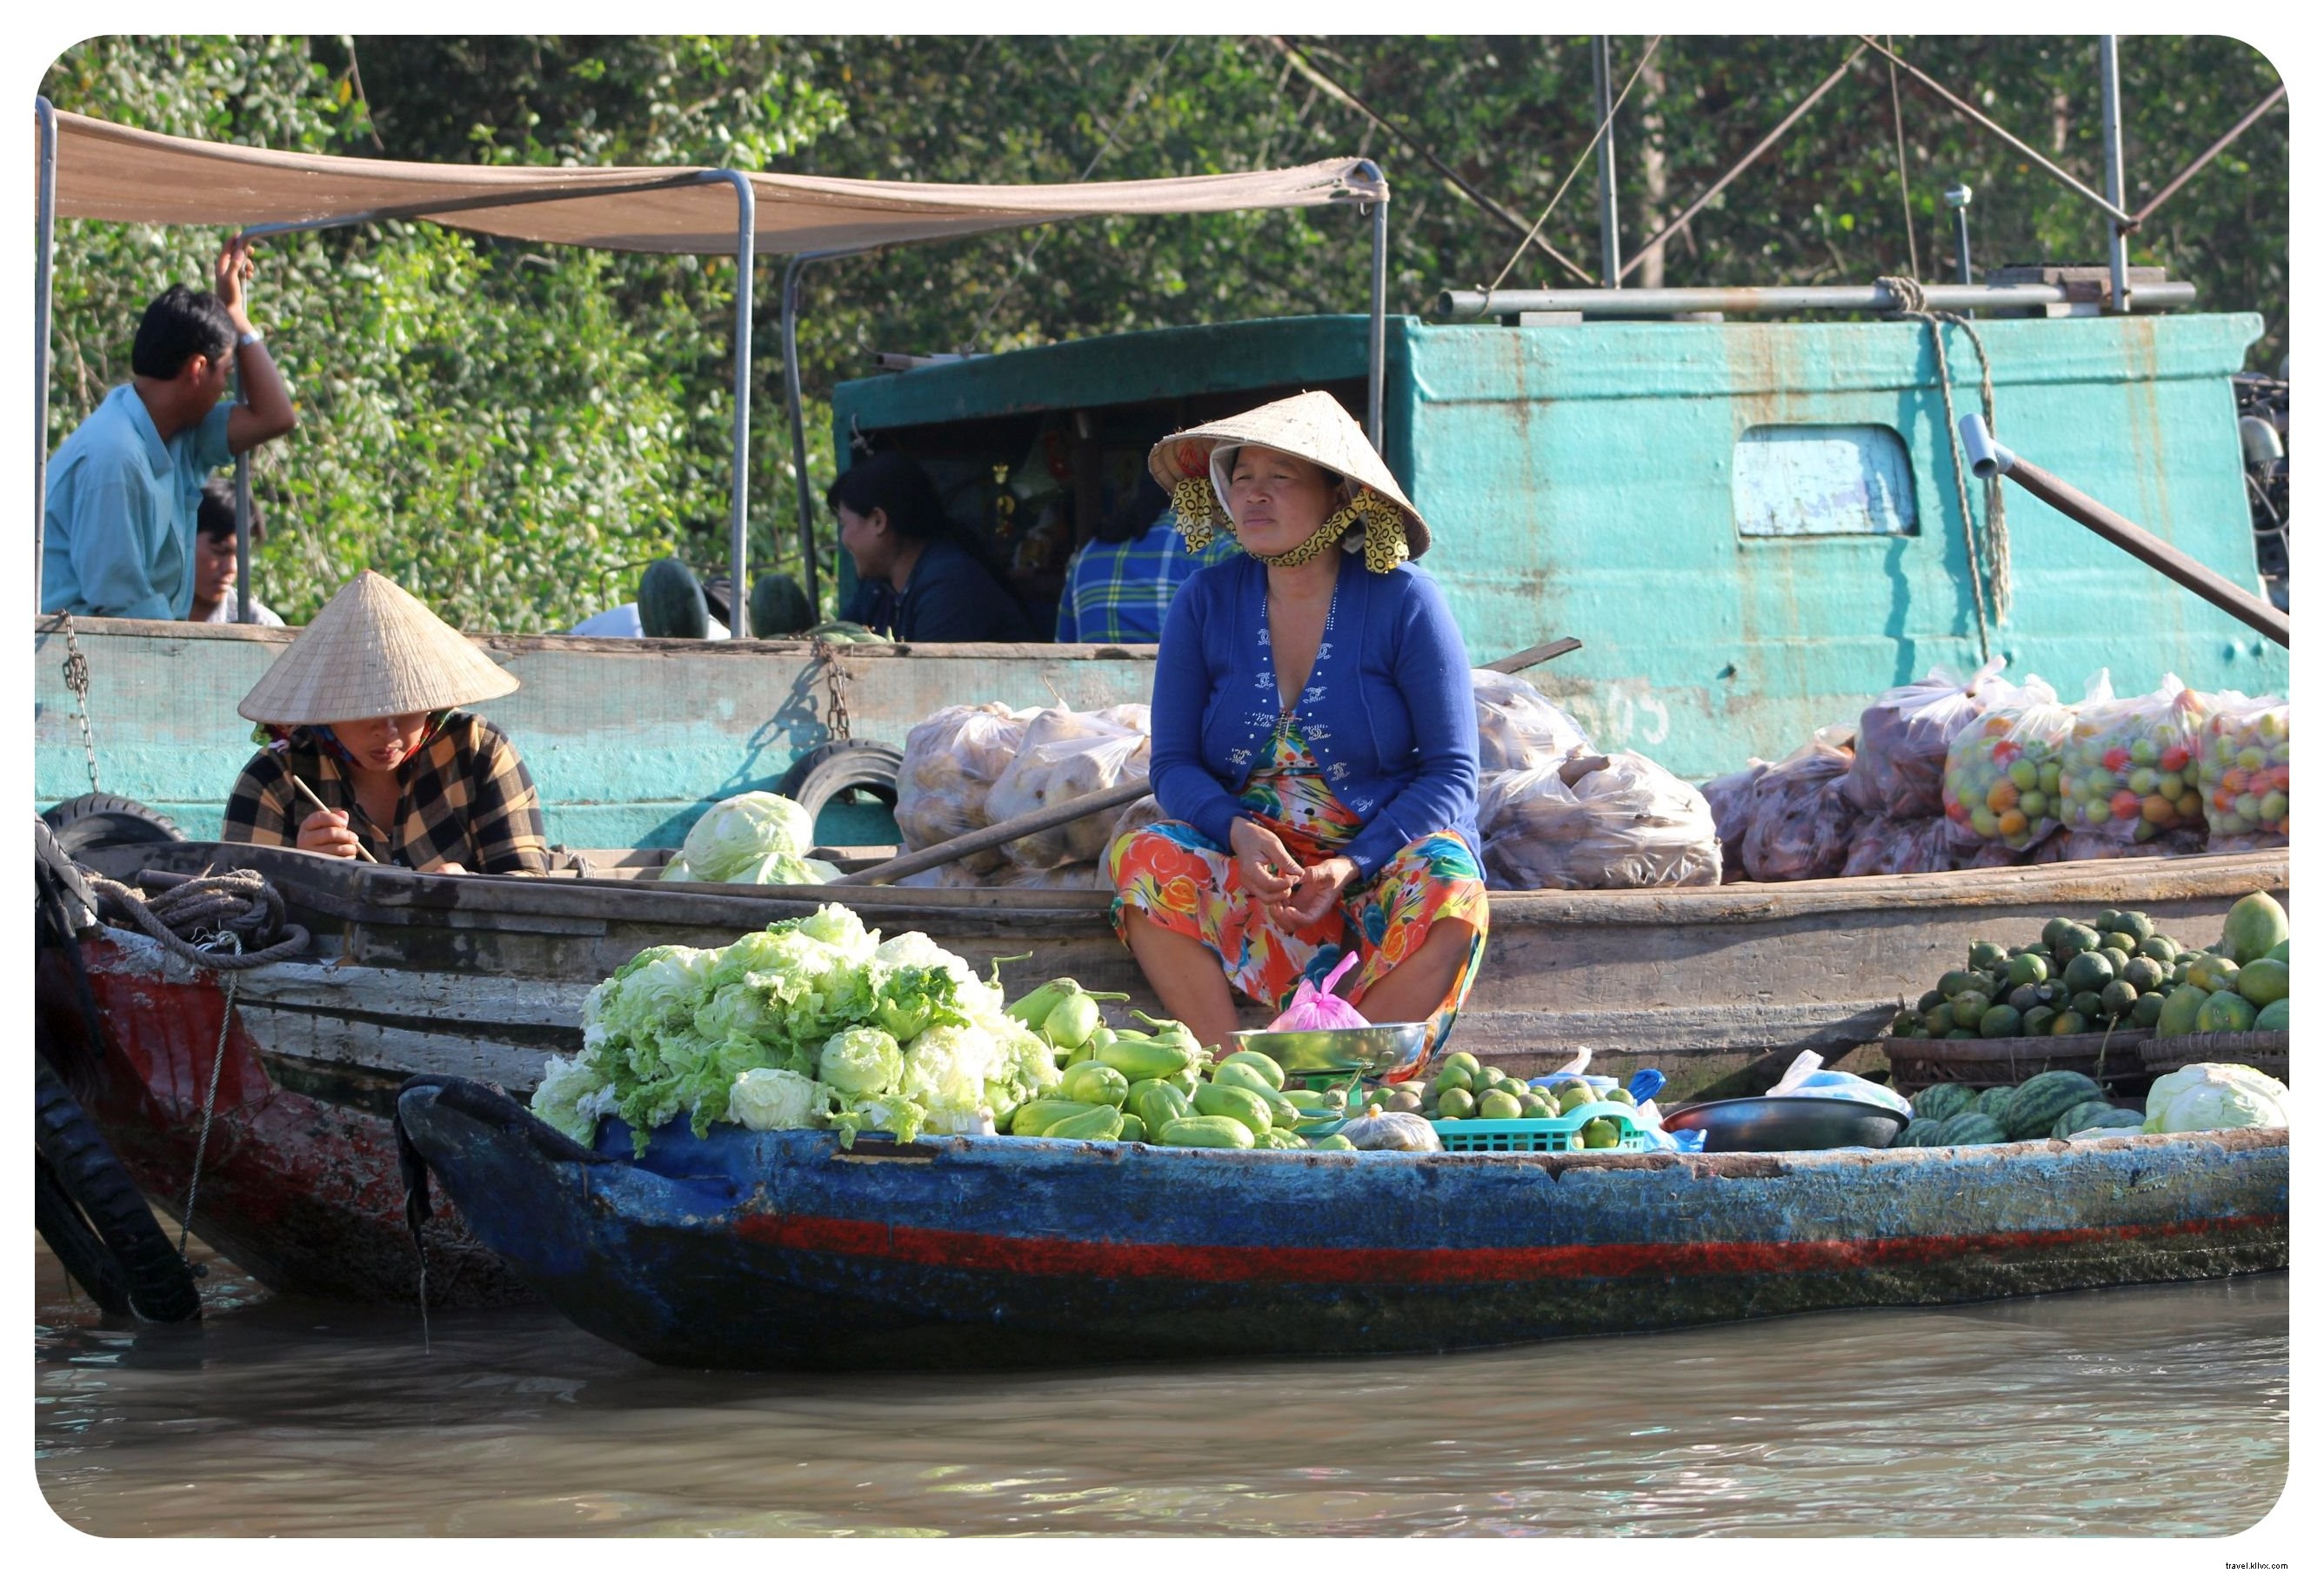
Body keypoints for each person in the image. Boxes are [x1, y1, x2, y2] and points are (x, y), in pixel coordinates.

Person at [1105, 391, 1488, 1068]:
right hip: (1259, 875)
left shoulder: (1407, 601)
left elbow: (1453, 772)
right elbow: (1172, 764)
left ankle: (1337, 1075)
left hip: (1377, 870)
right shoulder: (1204, 601)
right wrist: (1238, 832)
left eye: (1280, 478)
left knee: (1454, 885)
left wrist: (1351, 863)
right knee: (1143, 857)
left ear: (1340, 496)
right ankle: (1237, 1073)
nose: (1254, 496)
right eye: (1241, 477)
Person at [222, 570, 548, 875]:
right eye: (364, 711)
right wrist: (302, 869)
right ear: (326, 708)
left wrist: (471, 891)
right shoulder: (274, 778)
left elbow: (530, 886)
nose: (388, 731)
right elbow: (236, 906)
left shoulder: (479, 752)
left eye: (407, 707)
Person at [43, 240, 297, 619]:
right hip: (66, 657)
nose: (226, 387)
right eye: (225, 373)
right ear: (197, 369)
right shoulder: (116, 454)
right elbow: (120, 604)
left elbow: (275, 417)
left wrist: (234, 315)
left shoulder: (177, 431)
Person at [832, 452, 1034, 642]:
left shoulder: (949, 585)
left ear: (878, 521)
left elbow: (929, 677)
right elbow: (835, 642)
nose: (844, 538)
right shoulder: (876, 589)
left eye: (844, 523)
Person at [1054, 474, 1239, 643]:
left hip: (1091, 679)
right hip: (1176, 678)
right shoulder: (1217, 547)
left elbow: (1062, 646)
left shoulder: (1089, 553)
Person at [187, 479, 285, 626]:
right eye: (219, 551)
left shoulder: (260, 626)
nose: (231, 568)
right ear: (186, 541)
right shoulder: (148, 609)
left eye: (241, 556)